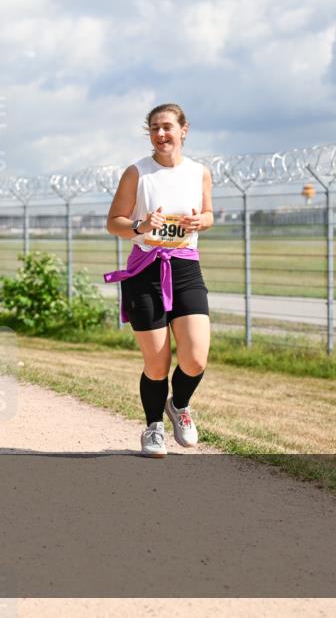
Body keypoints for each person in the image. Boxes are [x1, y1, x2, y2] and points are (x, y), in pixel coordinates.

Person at [104, 103, 214, 458]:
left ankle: (178, 405)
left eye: (167, 127)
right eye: (154, 128)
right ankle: (153, 427)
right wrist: (141, 226)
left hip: (185, 269)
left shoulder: (200, 172)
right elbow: (114, 222)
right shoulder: (137, 173)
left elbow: (209, 213)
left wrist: (202, 222)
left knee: (195, 357)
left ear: (184, 130)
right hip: (145, 272)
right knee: (157, 363)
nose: (161, 134)